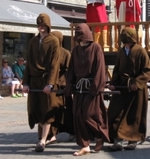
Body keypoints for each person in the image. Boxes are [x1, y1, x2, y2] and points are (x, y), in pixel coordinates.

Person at [65, 23, 109, 156]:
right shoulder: (76, 50)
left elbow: (100, 68)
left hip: (91, 88)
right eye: (78, 36)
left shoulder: (96, 48)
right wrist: (69, 85)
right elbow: (71, 69)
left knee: (89, 114)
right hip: (79, 88)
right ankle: (85, 145)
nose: (80, 38)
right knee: (78, 115)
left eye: (81, 35)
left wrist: (96, 87)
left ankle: (100, 135)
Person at [107, 27, 150, 151]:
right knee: (116, 112)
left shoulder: (140, 51)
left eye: (126, 38)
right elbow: (116, 69)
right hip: (122, 86)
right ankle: (118, 140)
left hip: (136, 89)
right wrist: (113, 83)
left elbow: (147, 70)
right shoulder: (121, 51)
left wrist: (137, 83)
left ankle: (133, 139)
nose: (124, 41)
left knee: (134, 114)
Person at [22, 13, 61, 152]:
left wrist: (50, 83)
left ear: (48, 26)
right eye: (39, 26)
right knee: (35, 109)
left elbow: (54, 65)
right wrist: (25, 83)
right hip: (34, 80)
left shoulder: (54, 41)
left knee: (47, 110)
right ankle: (44, 137)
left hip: (45, 80)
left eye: (44, 26)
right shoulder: (33, 41)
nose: (41, 28)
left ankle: (43, 141)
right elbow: (28, 63)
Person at [48, 31, 74, 144]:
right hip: (51, 87)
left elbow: (68, 70)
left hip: (62, 87)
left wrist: (65, 83)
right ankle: (51, 134)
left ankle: (72, 131)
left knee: (67, 110)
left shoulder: (66, 53)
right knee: (50, 110)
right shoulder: (49, 52)